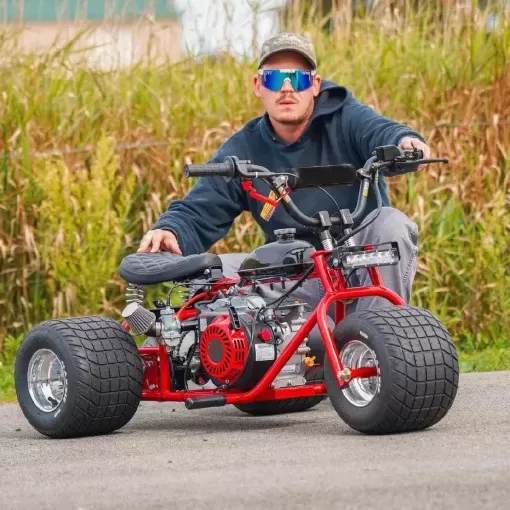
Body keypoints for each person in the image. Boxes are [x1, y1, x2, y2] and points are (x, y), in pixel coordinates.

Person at [137, 32, 430, 313]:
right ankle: (202, 345)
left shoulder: (347, 117)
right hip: (293, 272)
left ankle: (377, 333)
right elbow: (200, 208)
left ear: (315, 85)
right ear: (258, 86)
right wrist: (171, 230)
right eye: (275, 79)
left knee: (392, 223)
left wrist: (404, 142)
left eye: (298, 79)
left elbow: (380, 131)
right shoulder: (244, 147)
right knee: (209, 273)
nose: (287, 88)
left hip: (358, 265)